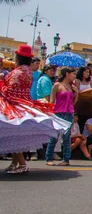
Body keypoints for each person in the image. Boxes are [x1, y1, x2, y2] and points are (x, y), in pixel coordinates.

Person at [1, 45, 69, 173]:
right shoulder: (27, 71)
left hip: (14, 105)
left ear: (18, 58)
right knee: (14, 133)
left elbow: (10, 91)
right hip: (24, 104)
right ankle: (15, 162)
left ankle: (21, 163)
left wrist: (1, 83)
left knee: (13, 134)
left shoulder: (18, 72)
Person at [45, 67, 78, 166]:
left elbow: (73, 102)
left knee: (67, 136)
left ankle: (66, 159)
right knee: (54, 136)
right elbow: (52, 100)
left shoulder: (71, 86)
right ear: (67, 74)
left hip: (69, 112)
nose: (74, 76)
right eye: (73, 74)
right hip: (58, 112)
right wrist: (50, 112)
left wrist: (77, 93)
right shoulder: (57, 85)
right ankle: (49, 158)